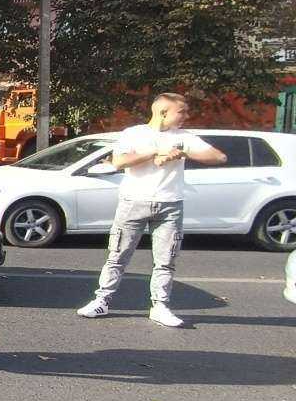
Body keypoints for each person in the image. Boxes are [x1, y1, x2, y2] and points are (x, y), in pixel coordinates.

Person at [77, 93, 227, 326]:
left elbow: (219, 157)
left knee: (166, 260)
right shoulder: (134, 134)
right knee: (117, 255)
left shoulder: (185, 137)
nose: (186, 116)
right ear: (163, 112)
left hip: (170, 205)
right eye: (182, 112)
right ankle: (102, 301)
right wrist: (155, 152)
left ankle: (160, 307)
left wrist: (185, 152)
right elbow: (119, 161)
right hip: (133, 202)